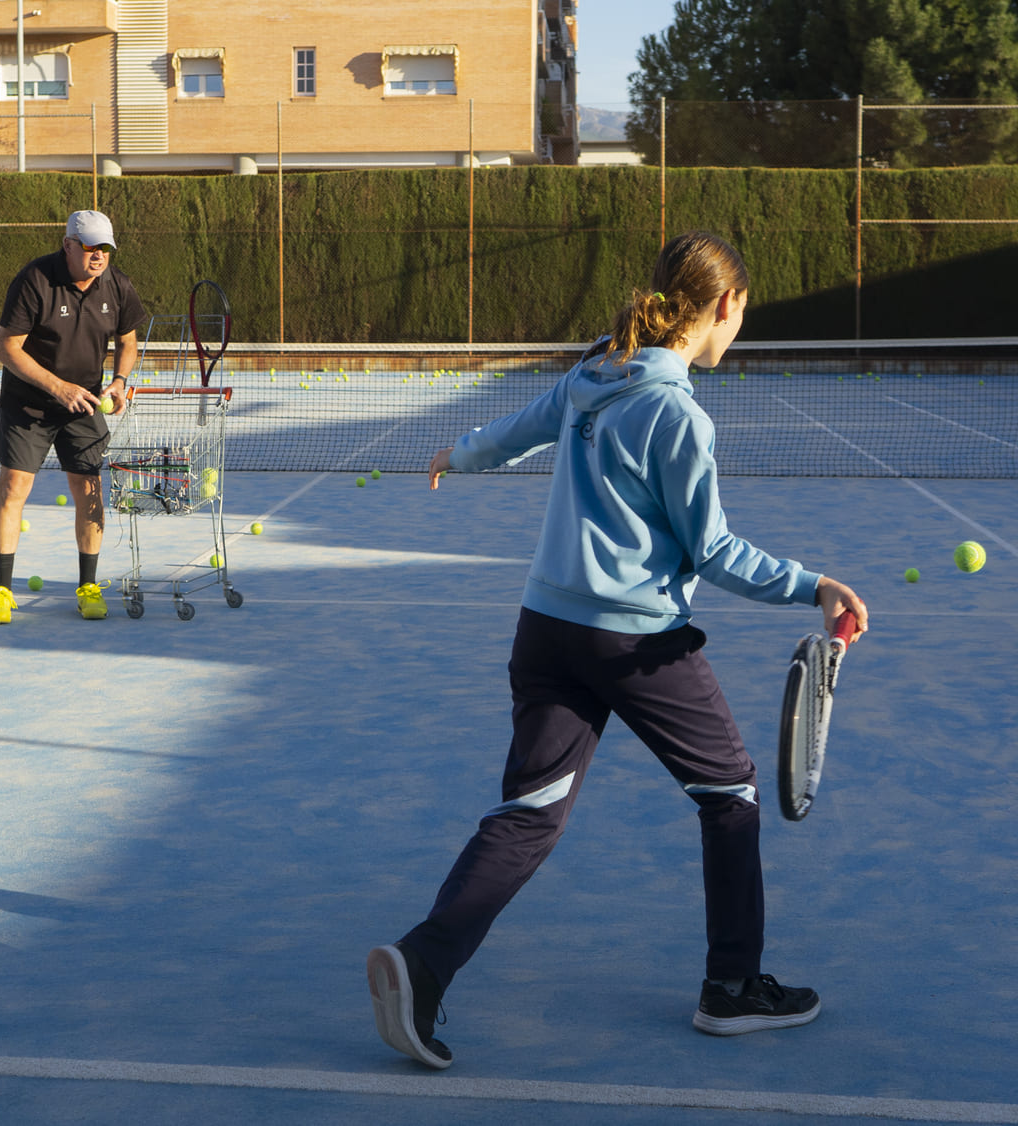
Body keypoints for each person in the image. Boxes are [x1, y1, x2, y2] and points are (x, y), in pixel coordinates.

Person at [365, 232, 869, 1070]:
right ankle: (733, 988)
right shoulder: (677, 414)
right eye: (740, 315)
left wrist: (457, 453)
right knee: (732, 793)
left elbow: (515, 431)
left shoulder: (595, 372)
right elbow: (714, 552)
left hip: (544, 629)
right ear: (724, 307)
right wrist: (813, 584)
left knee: (529, 812)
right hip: (634, 641)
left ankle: (422, 964)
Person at [0, 211, 147, 625]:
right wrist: (57, 388)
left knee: (89, 491)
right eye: (91, 247)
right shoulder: (35, 280)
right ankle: (2, 590)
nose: (99, 256)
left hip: (87, 403)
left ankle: (88, 586)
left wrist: (119, 381)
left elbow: (128, 340)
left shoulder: (117, 284)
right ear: (69, 244)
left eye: (105, 248)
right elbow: (7, 347)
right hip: (29, 403)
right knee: (13, 487)